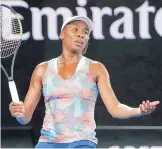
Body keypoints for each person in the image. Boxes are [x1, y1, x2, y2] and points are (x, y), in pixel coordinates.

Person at [9, 16, 160, 148]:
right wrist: (19, 113)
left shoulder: (96, 68)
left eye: (85, 32)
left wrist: (139, 111)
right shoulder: (42, 70)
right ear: (62, 34)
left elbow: (115, 108)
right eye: (75, 30)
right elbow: (25, 117)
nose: (81, 34)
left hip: (82, 142)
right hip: (48, 142)